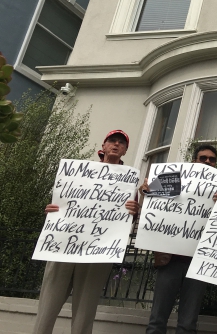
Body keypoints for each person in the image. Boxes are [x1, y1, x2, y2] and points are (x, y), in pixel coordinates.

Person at [33, 130, 140, 334]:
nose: (116, 145)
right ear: (103, 145)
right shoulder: (76, 173)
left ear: (125, 150)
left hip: (98, 252)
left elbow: (127, 218)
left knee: (85, 310)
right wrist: (52, 210)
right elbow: (60, 204)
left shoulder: (129, 182)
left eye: (121, 143)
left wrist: (135, 211)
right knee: (47, 306)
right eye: (112, 141)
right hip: (63, 246)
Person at [145, 144, 217, 334]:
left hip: (198, 264)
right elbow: (149, 200)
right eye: (203, 158)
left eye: (212, 159)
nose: (208, 161)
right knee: (157, 320)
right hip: (170, 260)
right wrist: (145, 190)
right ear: (194, 161)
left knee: (188, 324)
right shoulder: (175, 178)